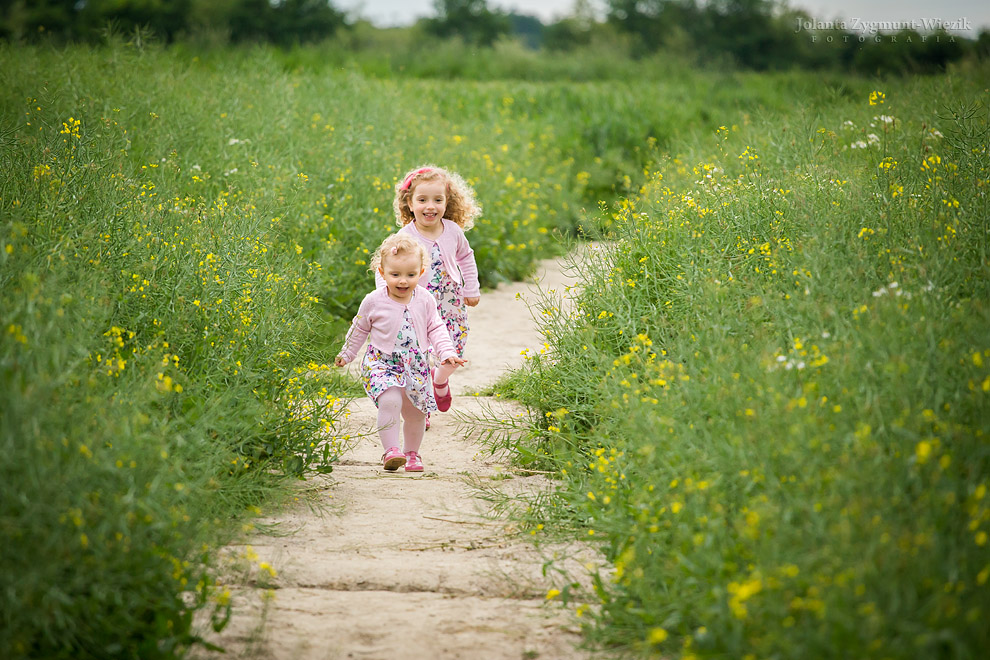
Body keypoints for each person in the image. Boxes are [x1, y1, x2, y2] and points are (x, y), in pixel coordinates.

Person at [336, 233, 466, 472]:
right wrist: (347, 353)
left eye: (410, 275)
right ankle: (391, 451)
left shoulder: (425, 299)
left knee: (416, 412)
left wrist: (446, 352)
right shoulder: (374, 301)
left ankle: (412, 453)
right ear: (382, 272)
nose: (403, 281)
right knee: (391, 400)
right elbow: (359, 327)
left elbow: (436, 327)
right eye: (395, 275)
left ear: (421, 272)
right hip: (382, 362)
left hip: (416, 364)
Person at [381, 165, 482, 426]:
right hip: (419, 306)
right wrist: (387, 301)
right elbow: (388, 271)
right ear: (410, 203)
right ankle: (420, 408)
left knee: (455, 347)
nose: (431, 206)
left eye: (438, 200)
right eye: (422, 200)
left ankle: (439, 380)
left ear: (447, 202)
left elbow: (466, 258)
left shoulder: (453, 231)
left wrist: (471, 287)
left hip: (451, 303)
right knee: (418, 354)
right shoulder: (405, 237)